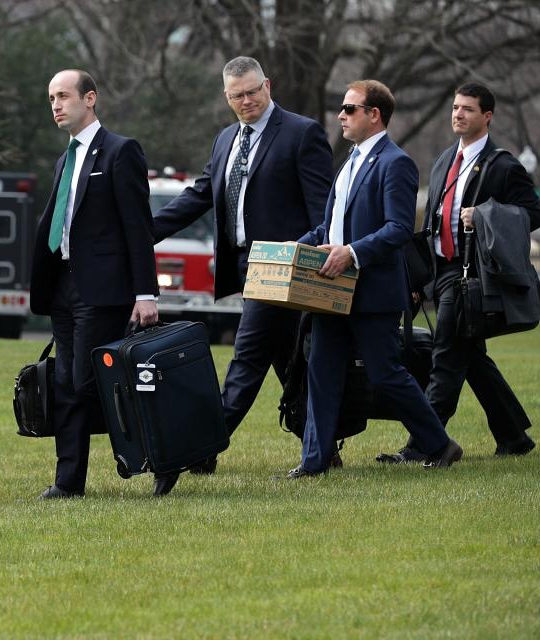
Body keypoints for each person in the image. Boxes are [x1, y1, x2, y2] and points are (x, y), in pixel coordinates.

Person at [153, 56, 333, 472]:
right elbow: (198, 196)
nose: (247, 100)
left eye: (253, 91)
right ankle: (323, 448)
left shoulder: (301, 133)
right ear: (227, 97)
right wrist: (143, 233)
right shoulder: (225, 140)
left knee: (247, 358)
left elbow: (324, 211)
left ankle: (201, 448)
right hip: (244, 268)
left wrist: (302, 252)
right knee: (288, 363)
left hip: (283, 269)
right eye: (238, 95)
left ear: (267, 86)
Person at [288, 79, 463, 477]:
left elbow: (399, 227)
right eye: (342, 109)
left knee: (385, 375)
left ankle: (440, 444)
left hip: (373, 293)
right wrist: (294, 248)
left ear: (374, 115)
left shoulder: (395, 162)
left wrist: (351, 253)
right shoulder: (347, 162)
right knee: (321, 369)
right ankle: (314, 462)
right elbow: (328, 228)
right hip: (332, 291)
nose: (341, 116)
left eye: (349, 109)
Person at [379, 82, 540, 463]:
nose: (458, 114)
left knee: (447, 357)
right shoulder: (444, 161)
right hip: (443, 272)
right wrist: (422, 281)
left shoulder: (503, 164)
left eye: (467, 109)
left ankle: (424, 445)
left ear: (487, 116)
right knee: (472, 357)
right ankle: (514, 436)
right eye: (455, 107)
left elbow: (533, 212)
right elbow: (434, 225)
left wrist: (484, 215)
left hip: (474, 275)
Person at [30, 69, 162, 498]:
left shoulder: (120, 152)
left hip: (104, 290)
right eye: (51, 97)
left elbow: (137, 227)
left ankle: (159, 454)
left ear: (90, 99)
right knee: (68, 384)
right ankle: (68, 483)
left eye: (63, 96)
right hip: (63, 289)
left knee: (88, 384)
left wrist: (146, 293)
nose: (55, 104)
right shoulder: (63, 160)